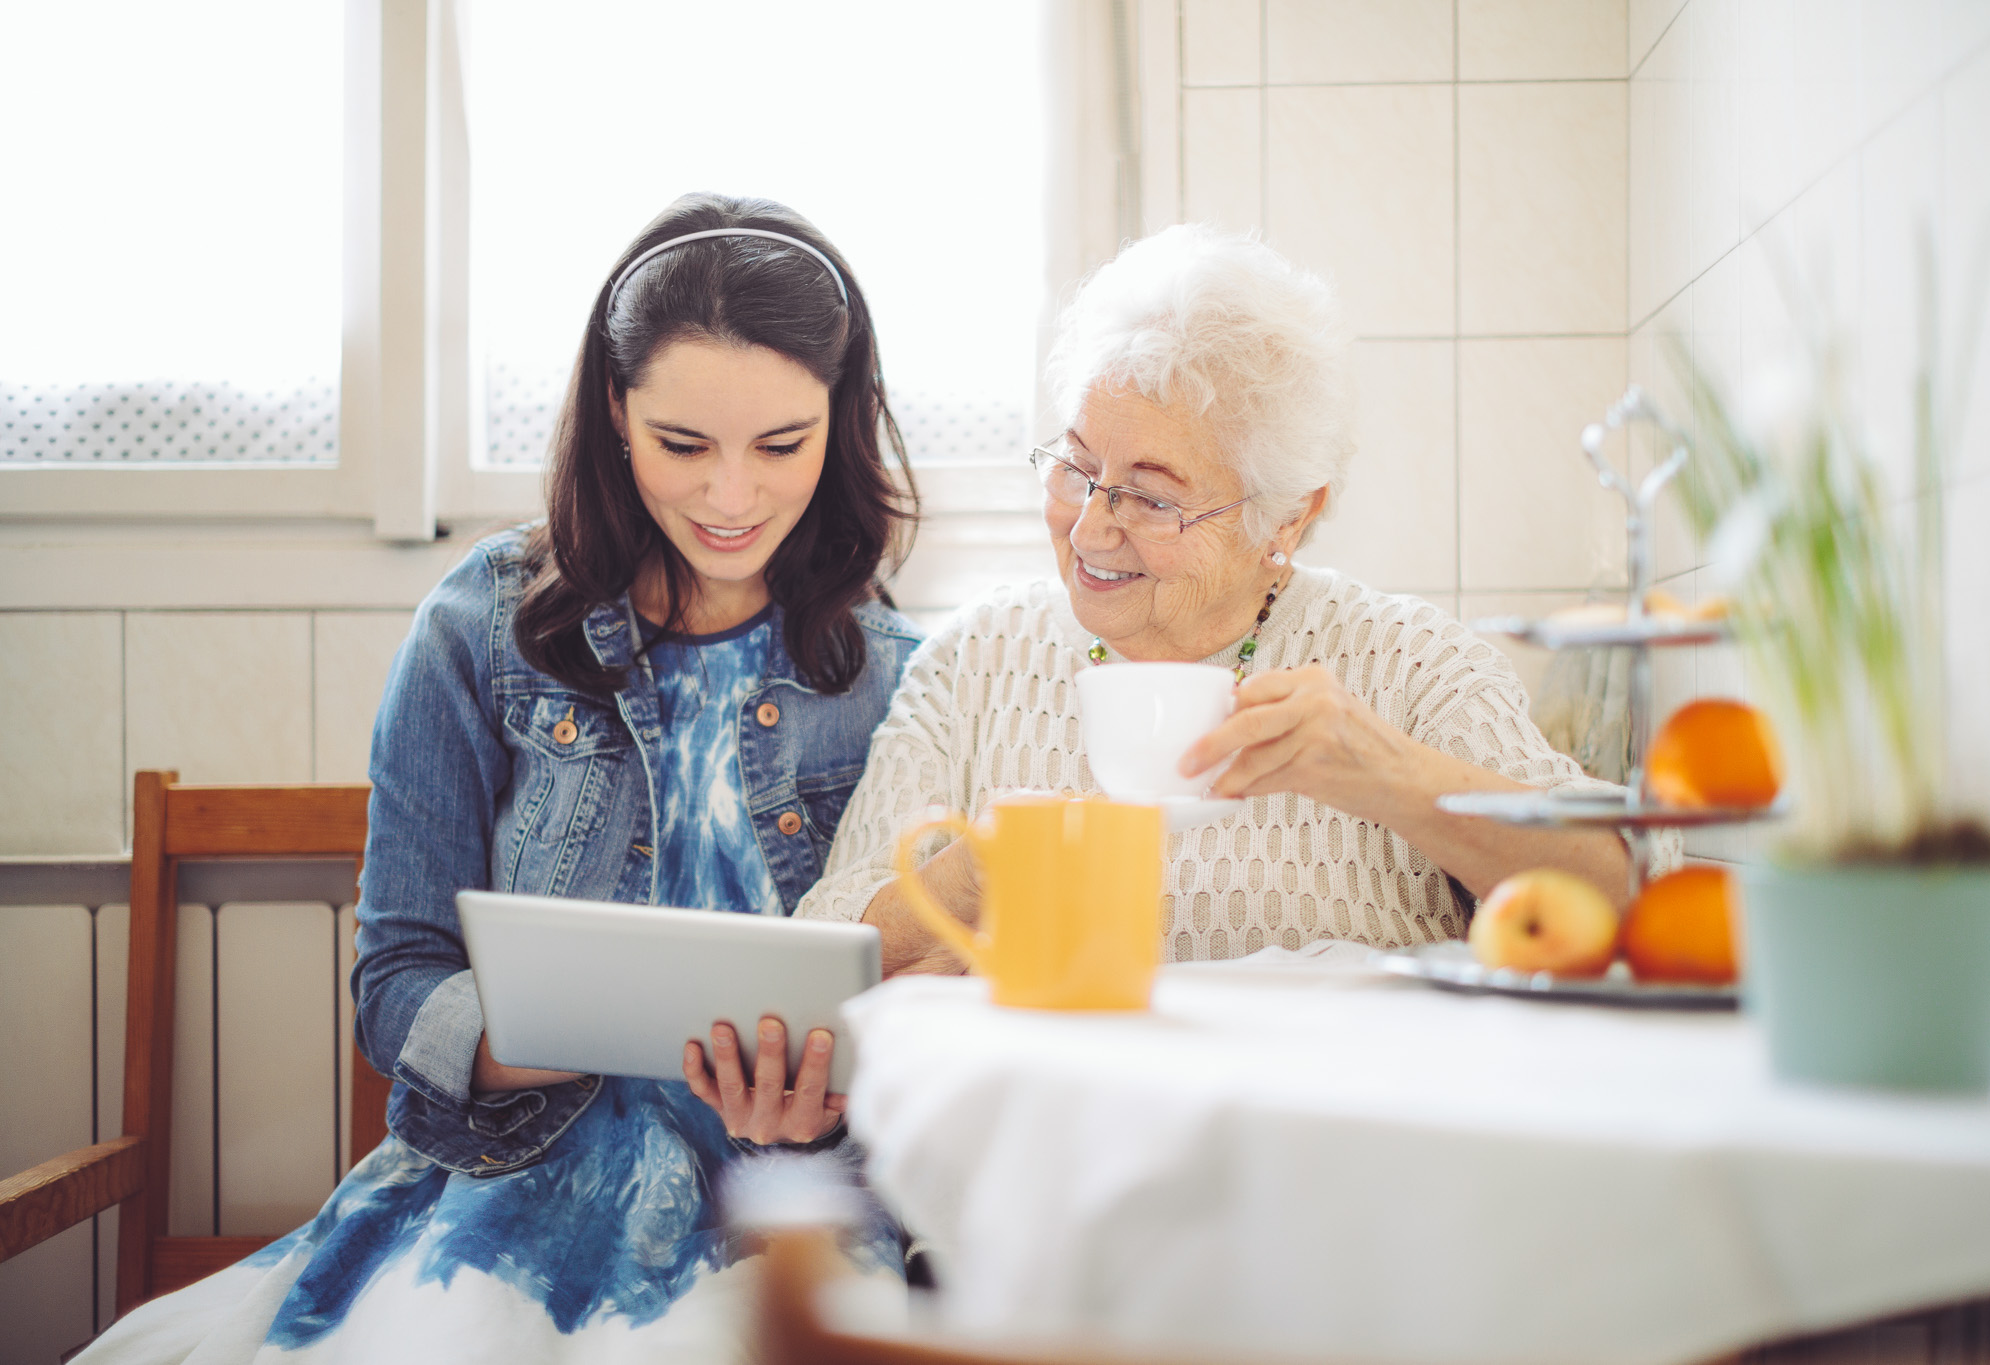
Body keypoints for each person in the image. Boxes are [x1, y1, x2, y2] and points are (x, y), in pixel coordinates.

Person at [79, 193, 921, 1361]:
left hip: (781, 1215)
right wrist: (548, 1027)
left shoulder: (898, 675)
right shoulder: (478, 627)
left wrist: (819, 1101)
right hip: (502, 1192)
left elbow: (917, 1015)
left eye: (781, 444)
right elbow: (397, 983)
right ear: (616, 414)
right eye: (684, 445)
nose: (732, 497)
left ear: (842, 418)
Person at [797, 224, 1671, 970]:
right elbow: (824, 950)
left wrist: (1393, 778)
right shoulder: (977, 657)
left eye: (1152, 494)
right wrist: (972, 875)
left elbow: (1632, 893)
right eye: (1076, 466)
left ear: (1285, 521)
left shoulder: (1405, 662)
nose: (1092, 527)